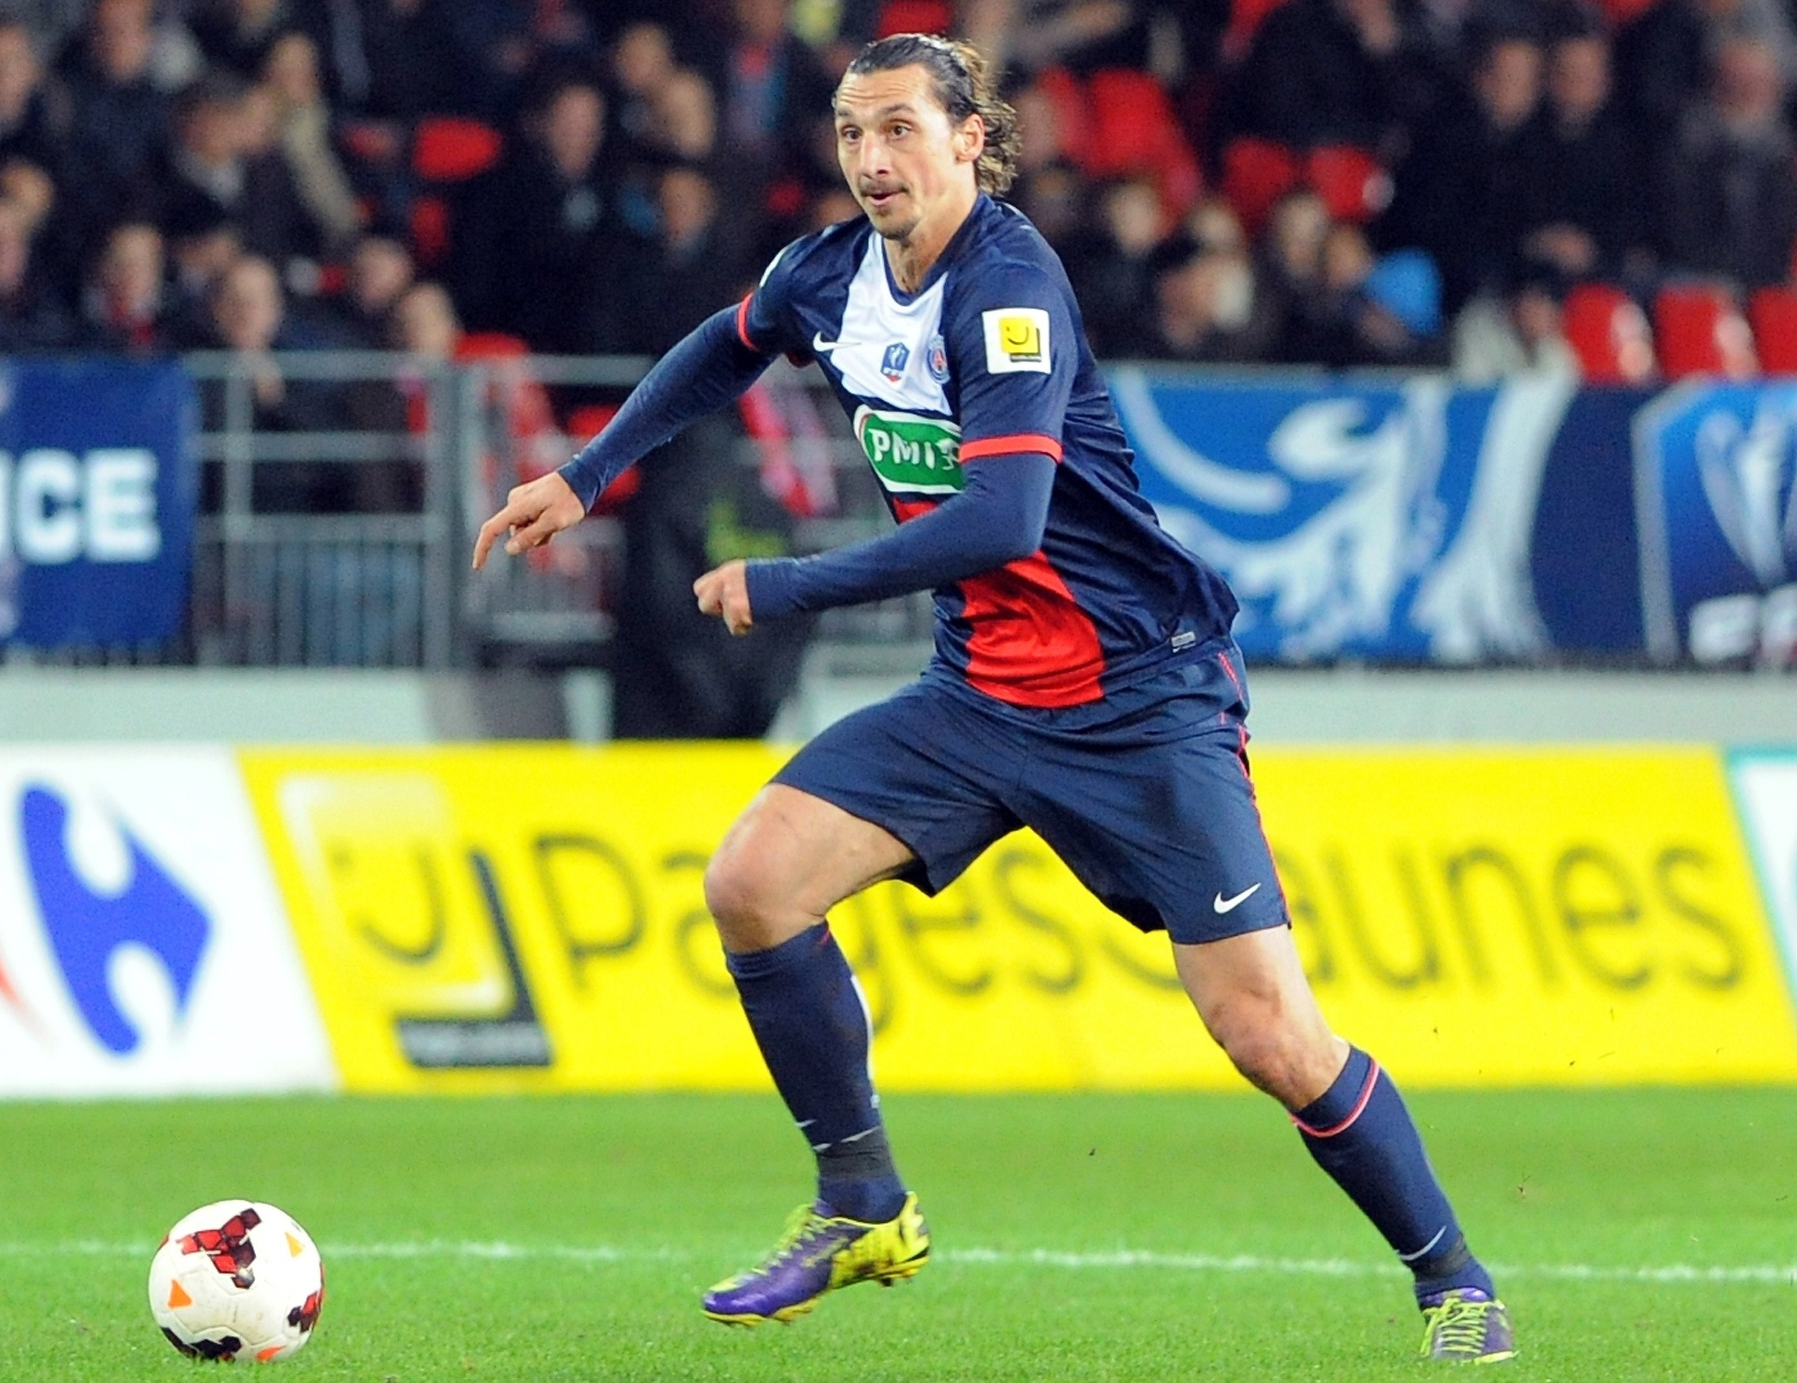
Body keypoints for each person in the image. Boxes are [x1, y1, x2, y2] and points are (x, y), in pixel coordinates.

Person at [471, 33, 1515, 1365]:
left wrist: (790, 586)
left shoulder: (1009, 285)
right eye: (853, 132)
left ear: (973, 138)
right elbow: (724, 345)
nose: (871, 158)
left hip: (1139, 695)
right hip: (979, 696)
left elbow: (1005, 520)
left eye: (902, 128)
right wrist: (589, 473)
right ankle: (862, 1202)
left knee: (1265, 1031)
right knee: (754, 881)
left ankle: (1454, 1279)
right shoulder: (830, 272)